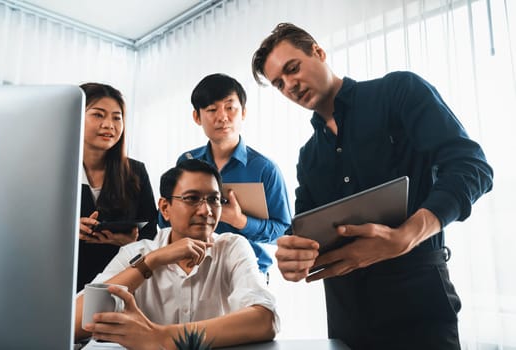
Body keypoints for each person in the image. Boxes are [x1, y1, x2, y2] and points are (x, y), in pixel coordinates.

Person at [252, 23, 493, 349]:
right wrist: (293, 257)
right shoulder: (307, 157)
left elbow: (471, 166)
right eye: (279, 84)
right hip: (347, 321)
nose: (290, 86)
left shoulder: (399, 91)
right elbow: (307, 237)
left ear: (318, 52)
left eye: (292, 69)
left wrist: (406, 236)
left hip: (420, 310)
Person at [74, 159, 279, 349]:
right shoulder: (139, 252)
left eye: (214, 199)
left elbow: (265, 321)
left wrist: (159, 337)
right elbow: (74, 323)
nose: (206, 210)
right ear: (165, 208)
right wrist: (151, 262)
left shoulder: (232, 248)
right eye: (192, 198)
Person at [158, 73, 292, 275]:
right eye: (212, 110)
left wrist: (240, 221)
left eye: (230, 108)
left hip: (247, 271)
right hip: (193, 268)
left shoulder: (265, 169)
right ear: (197, 117)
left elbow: (283, 230)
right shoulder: (186, 162)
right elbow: (167, 219)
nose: (222, 117)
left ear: (243, 112)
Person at [78, 83, 157, 292]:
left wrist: (130, 243)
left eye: (116, 117)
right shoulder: (55, 169)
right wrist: (69, 230)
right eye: (98, 115)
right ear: (75, 116)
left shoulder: (136, 171)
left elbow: (151, 234)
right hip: (63, 279)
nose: (109, 125)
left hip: (119, 282)